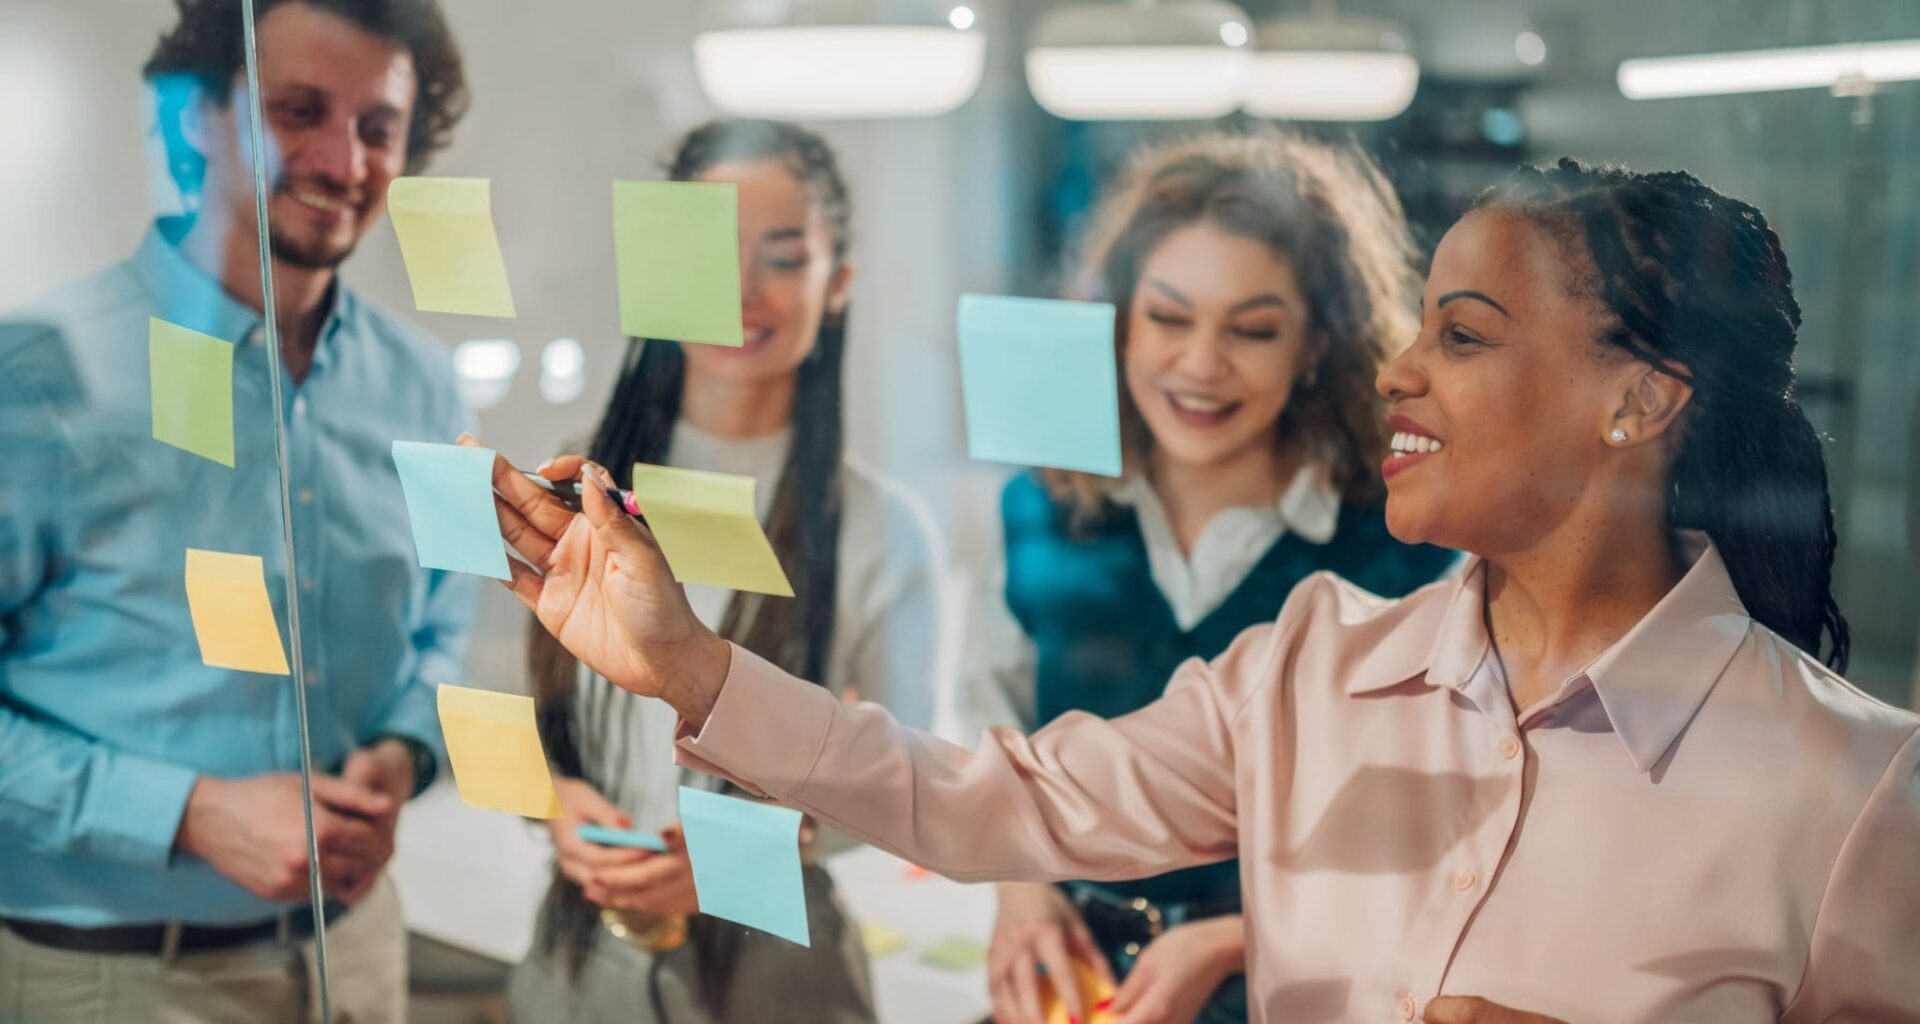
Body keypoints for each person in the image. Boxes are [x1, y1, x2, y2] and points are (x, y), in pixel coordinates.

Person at [485, 157, 1920, 1024]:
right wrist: (687, 668)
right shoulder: (1307, 664)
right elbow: (988, 794)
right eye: (1414, 327)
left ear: (1638, 404)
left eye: (1464, 336)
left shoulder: (1860, 790)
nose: (1399, 374)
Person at [0, 1, 473, 1020]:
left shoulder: (425, 387)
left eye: (378, 127)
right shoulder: (36, 374)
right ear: (201, 118)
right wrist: (185, 812)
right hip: (115, 980)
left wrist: (404, 750)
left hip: (357, 956)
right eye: (297, 110)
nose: (344, 161)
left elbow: (444, 626)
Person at [940, 131, 1455, 1024]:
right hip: (1073, 981)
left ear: (1316, 345)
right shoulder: (1036, 513)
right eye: (1169, 319)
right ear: (1120, 322)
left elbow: (1444, 838)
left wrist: (1237, 938)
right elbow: (988, 732)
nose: (1201, 365)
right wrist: (1018, 893)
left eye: (1252, 330)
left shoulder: (1407, 548)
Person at [506, 119, 947, 1024]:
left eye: (782, 259)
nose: (740, 289)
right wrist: (556, 808)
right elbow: (486, 697)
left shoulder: (881, 526)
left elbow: (908, 785)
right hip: (580, 957)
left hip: (778, 972)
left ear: (839, 285)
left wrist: (741, 854)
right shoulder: (573, 479)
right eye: (706, 249)